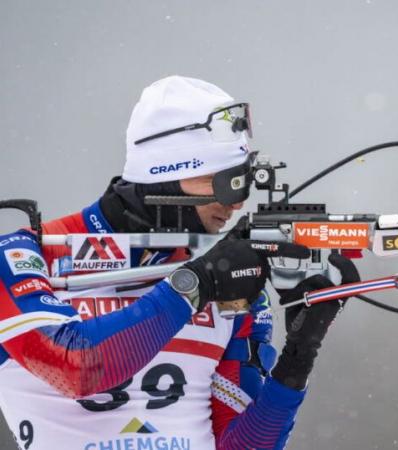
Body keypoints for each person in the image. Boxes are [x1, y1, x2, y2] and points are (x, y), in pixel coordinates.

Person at [0, 76, 358, 450]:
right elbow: (77, 367)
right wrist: (194, 285)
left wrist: (300, 351)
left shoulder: (229, 282)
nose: (236, 202)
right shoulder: (24, 257)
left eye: (244, 181)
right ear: (168, 173)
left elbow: (243, 446)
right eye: (224, 182)